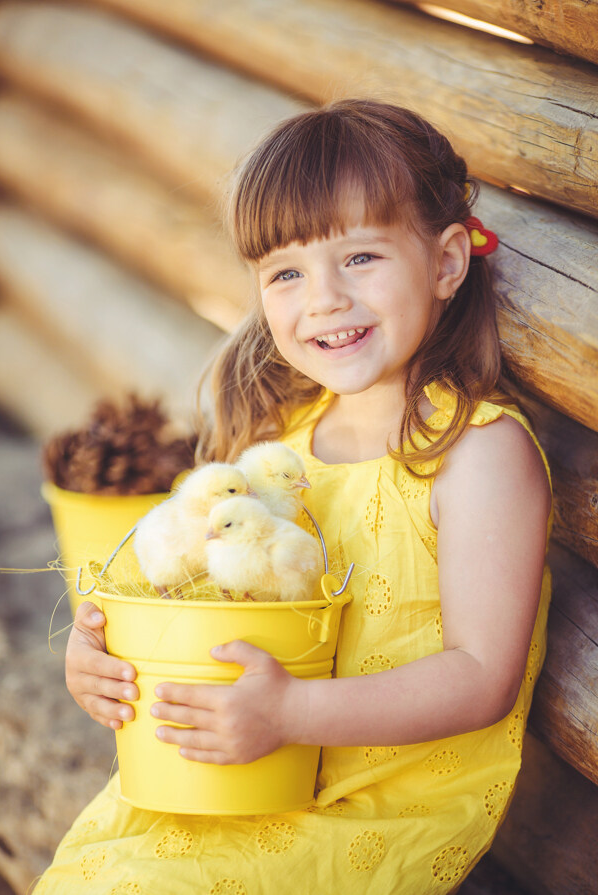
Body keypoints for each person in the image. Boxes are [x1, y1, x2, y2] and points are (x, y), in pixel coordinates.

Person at [37, 99, 552, 894]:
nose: (323, 300)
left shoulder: (478, 453)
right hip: (241, 780)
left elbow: (482, 675)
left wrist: (291, 714)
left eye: (360, 259)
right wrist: (108, 658)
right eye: (286, 273)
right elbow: (203, 601)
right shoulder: (279, 443)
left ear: (448, 263)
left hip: (370, 810)